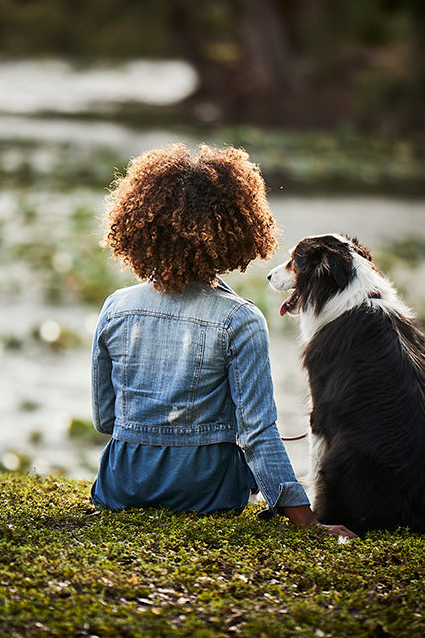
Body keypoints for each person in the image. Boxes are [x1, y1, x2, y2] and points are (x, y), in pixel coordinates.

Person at [90, 143, 356, 539]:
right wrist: (309, 524)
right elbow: (257, 434)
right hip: (207, 492)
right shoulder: (241, 319)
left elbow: (104, 420)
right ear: (238, 230)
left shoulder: (115, 307)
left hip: (122, 484)